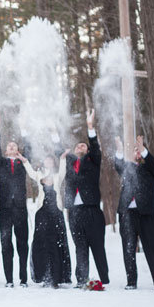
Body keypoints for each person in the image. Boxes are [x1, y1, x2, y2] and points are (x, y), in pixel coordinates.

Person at [64, 109, 109, 287]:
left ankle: (104, 278)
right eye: (77, 146)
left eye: (83, 146)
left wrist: (90, 127)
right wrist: (53, 132)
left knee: (97, 247)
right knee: (80, 247)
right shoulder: (69, 163)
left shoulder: (93, 161)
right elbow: (59, 149)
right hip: (74, 212)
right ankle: (81, 279)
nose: (79, 147)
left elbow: (96, 149)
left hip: (92, 211)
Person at [115, 135, 154, 291]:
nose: (137, 154)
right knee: (128, 248)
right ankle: (131, 282)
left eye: (140, 152)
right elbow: (118, 165)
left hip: (146, 215)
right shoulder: (128, 168)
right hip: (127, 214)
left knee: (151, 248)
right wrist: (119, 150)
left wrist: (142, 149)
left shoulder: (152, 170)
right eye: (135, 151)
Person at [20, 151, 72, 287]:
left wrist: (62, 158)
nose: (48, 162)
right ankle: (45, 275)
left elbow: (63, 170)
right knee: (42, 244)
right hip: (42, 213)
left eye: (51, 160)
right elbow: (31, 173)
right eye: (46, 160)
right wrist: (25, 161)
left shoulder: (57, 177)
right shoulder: (39, 175)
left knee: (56, 244)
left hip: (56, 213)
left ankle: (56, 277)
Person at [0, 111, 30, 287]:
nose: (12, 147)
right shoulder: (2, 162)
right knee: (6, 244)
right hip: (5, 210)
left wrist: (23, 127)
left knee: (22, 244)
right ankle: (9, 280)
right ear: (6, 151)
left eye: (15, 145)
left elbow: (28, 147)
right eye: (10, 146)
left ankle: (23, 279)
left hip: (21, 209)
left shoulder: (23, 163)